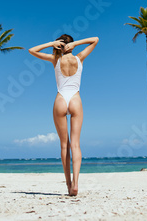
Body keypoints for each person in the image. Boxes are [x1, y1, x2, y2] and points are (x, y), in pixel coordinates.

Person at [29, 35, 99, 196]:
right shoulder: (79, 57)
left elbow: (32, 51)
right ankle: (75, 184)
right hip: (75, 99)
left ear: (59, 45)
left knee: (64, 145)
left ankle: (68, 184)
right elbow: (95, 39)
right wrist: (76, 44)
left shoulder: (55, 59)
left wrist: (51, 43)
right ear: (71, 45)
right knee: (75, 145)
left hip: (60, 99)